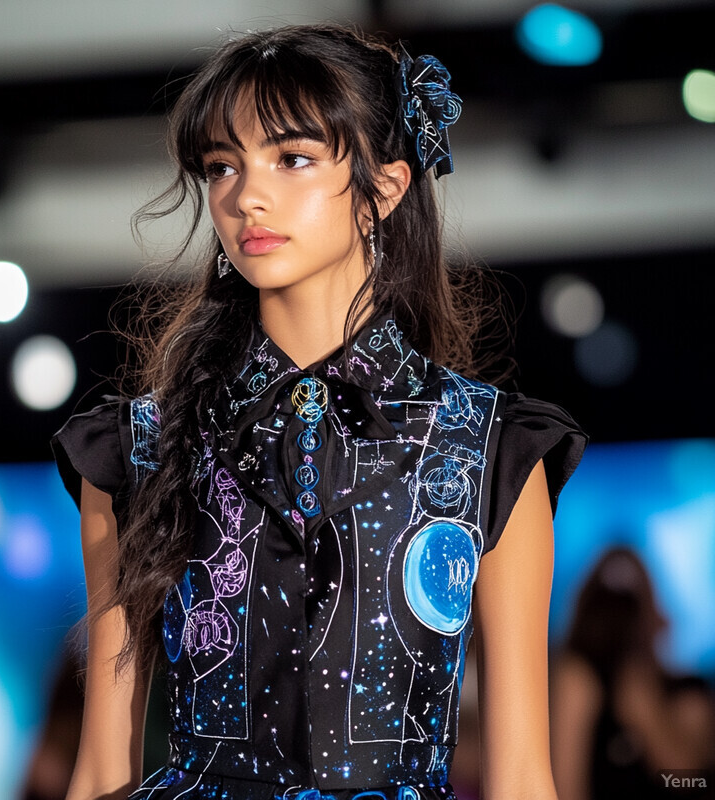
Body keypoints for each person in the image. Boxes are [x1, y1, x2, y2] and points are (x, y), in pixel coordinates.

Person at [52, 23, 587, 800]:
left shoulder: (492, 449)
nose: (246, 196)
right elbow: (103, 769)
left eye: (292, 158)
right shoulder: (134, 451)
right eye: (221, 167)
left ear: (385, 188)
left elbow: (521, 777)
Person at [551, 547, 715, 800]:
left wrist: (649, 717)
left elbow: (696, 781)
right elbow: (567, 789)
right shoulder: (579, 682)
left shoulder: (689, 692)